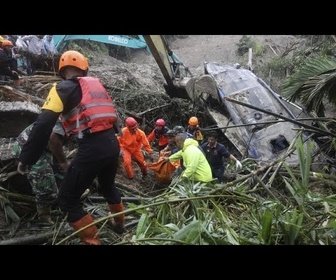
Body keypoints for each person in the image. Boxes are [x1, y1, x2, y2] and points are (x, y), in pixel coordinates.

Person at [16, 50, 124, 245]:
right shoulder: (96, 86)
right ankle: (120, 226)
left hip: (92, 148)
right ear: (85, 68)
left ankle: (93, 242)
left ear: (61, 70)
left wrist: (27, 158)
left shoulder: (60, 88)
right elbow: (113, 118)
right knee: (108, 186)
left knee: (67, 200)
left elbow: (43, 125)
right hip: (112, 144)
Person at [12, 120, 68, 225]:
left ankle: (63, 199)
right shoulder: (63, 119)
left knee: (60, 173)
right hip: (27, 148)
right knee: (44, 181)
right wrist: (63, 161)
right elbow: (53, 139)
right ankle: (44, 215)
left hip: (43, 147)